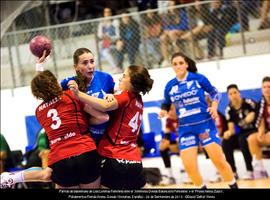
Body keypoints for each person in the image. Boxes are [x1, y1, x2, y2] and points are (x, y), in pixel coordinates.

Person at [158, 52, 238, 189]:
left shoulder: (199, 79)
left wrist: (214, 106)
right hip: (186, 129)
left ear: (187, 64)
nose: (178, 66)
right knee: (189, 167)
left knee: (219, 161)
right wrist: (164, 110)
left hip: (204, 126)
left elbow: (215, 93)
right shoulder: (170, 85)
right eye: (175, 64)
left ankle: (233, 186)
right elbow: (166, 102)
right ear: (172, 67)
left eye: (181, 63)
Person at [68, 65, 154, 189]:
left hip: (115, 157)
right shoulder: (139, 101)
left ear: (132, 83)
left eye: (124, 76)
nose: (120, 78)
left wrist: (78, 94)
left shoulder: (125, 96)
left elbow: (105, 106)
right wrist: (112, 96)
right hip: (135, 161)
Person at [59, 48, 115, 144]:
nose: (90, 66)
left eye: (92, 62)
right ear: (76, 67)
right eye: (85, 63)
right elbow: (49, 89)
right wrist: (40, 66)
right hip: (84, 141)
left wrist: (112, 96)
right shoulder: (71, 83)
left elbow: (117, 97)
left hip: (106, 140)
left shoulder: (105, 78)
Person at [223, 84, 256, 180]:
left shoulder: (248, 102)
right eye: (230, 94)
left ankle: (250, 170)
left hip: (253, 131)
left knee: (242, 139)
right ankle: (232, 172)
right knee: (226, 142)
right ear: (228, 96)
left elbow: (253, 116)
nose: (233, 95)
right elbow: (231, 129)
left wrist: (248, 119)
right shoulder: (229, 110)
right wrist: (228, 133)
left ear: (239, 93)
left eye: (235, 92)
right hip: (242, 133)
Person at [247, 76, 270, 179]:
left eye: (269, 86)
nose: (266, 89)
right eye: (264, 87)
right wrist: (261, 131)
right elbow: (260, 119)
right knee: (252, 139)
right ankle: (260, 170)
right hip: (267, 133)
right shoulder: (261, 103)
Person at [159, 105, 178, 185]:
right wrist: (164, 143)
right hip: (181, 142)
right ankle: (170, 177)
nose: (169, 112)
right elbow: (166, 137)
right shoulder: (169, 121)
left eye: (171, 110)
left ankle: (190, 174)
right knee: (163, 149)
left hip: (195, 141)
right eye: (168, 110)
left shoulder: (183, 118)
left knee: (183, 145)